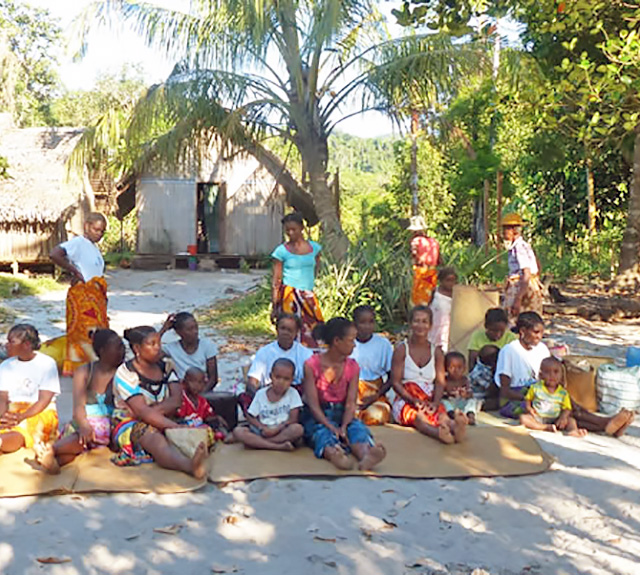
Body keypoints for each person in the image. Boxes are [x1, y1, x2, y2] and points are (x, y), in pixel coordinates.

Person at [496, 312, 634, 436]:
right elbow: (505, 390)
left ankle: (606, 425)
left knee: (567, 406)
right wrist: (536, 399)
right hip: (517, 398)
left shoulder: (542, 349)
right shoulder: (509, 351)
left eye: (541, 333)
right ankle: (605, 423)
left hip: (540, 390)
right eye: (535, 332)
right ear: (522, 331)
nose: (539, 337)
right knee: (557, 408)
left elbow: (550, 373)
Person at [111, 326, 207, 478]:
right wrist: (174, 426)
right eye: (152, 344)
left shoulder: (166, 366)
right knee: (154, 438)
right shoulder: (126, 373)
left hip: (161, 418)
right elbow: (141, 411)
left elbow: (176, 400)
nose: (158, 348)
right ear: (137, 348)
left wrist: (150, 413)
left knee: (202, 427)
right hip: (130, 423)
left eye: (159, 343)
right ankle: (188, 466)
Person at [36, 329, 125, 473]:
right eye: (118, 348)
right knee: (87, 433)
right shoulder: (84, 371)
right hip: (85, 420)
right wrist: (84, 424)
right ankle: (54, 454)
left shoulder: (124, 371)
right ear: (102, 351)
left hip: (111, 421)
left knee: (90, 435)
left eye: (123, 347)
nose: (123, 351)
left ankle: (53, 454)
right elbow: (78, 405)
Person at [303, 318, 386, 470]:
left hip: (342, 412)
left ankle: (365, 455)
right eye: (351, 340)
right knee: (322, 433)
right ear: (337, 341)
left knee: (356, 430)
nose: (354, 345)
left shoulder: (352, 366)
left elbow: (350, 403)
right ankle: (335, 454)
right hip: (318, 415)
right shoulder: (312, 365)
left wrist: (344, 425)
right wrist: (331, 427)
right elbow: (313, 405)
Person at [390, 306, 467, 444]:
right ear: (410, 324)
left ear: (430, 325)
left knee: (441, 415)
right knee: (418, 418)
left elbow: (439, 382)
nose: (420, 325)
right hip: (406, 398)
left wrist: (436, 402)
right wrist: (413, 401)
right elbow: (395, 382)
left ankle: (454, 427)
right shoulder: (402, 350)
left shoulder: (436, 352)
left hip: (429, 397)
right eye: (416, 321)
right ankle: (438, 433)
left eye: (424, 321)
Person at [50, 212, 109, 375]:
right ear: (86, 226)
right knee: (82, 332)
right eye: (96, 229)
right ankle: (80, 369)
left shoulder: (93, 248)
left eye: (102, 231)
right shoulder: (78, 243)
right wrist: (74, 271)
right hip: (82, 296)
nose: (99, 234)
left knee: (96, 333)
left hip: (96, 296)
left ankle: (93, 366)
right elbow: (55, 254)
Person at [0, 324, 60, 454]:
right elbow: (3, 399)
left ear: (26, 344)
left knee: (24, 428)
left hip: (40, 411)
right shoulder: (5, 366)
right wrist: (3, 416)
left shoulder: (47, 364)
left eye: (12, 342)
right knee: (5, 425)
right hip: (13, 409)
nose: (7, 345)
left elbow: (44, 400)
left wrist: (21, 416)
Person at [271, 212, 324, 347]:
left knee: (315, 331)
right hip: (289, 297)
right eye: (287, 230)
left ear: (301, 228)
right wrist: (275, 305)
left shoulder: (315, 248)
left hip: (308, 295)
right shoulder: (281, 251)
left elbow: (317, 268)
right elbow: (276, 280)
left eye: (293, 229)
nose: (290, 233)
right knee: (290, 331)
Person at [233, 359, 305, 451]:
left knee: (298, 429)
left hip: (282, 430)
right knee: (238, 431)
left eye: (286, 379)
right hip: (263, 430)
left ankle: (260, 443)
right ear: (271, 376)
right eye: (277, 377)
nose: (281, 382)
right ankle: (277, 446)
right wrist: (262, 427)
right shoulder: (261, 394)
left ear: (292, 380)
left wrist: (277, 429)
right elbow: (250, 416)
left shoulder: (293, 394)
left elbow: (293, 419)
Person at [245, 313, 313, 397]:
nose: (285, 333)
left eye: (290, 330)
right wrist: (260, 400)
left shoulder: (305, 354)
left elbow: (310, 383)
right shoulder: (264, 352)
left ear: (296, 332)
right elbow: (252, 381)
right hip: (268, 396)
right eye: (282, 328)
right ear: (277, 329)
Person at [520, 357, 586, 437]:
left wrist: (563, 417)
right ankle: (545, 427)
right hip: (538, 417)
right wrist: (529, 408)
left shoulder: (563, 393)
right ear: (541, 375)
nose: (552, 375)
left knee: (571, 420)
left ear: (561, 375)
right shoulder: (536, 387)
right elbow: (528, 399)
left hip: (556, 418)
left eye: (556, 372)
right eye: (547, 372)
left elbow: (567, 408)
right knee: (523, 418)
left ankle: (573, 430)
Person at [349, 305, 393, 425]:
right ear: (354, 324)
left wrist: (376, 395)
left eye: (371, 322)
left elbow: (392, 377)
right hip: (350, 392)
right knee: (346, 412)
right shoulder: (348, 342)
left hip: (375, 392)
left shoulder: (383, 344)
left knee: (380, 414)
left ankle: (359, 418)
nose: (367, 326)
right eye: (362, 322)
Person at [501, 213, 544, 322]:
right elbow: (537, 265)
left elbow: (526, 273)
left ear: (513, 230)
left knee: (514, 321)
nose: (503, 232)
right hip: (529, 285)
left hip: (521, 286)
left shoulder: (519, 248)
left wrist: (518, 299)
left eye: (505, 229)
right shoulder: (523, 245)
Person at [160, 312, 219, 391]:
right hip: (182, 391)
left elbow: (213, 379)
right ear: (178, 332)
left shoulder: (207, 346)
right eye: (189, 329)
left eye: (196, 327)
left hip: (203, 390)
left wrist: (200, 396)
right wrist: (163, 329)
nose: (195, 331)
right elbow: (151, 349)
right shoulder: (171, 348)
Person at [176, 367, 229, 445]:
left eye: (200, 382)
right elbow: (178, 420)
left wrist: (217, 418)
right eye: (192, 381)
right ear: (184, 383)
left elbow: (207, 416)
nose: (196, 386)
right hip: (187, 431)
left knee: (217, 431)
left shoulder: (202, 401)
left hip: (200, 428)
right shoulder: (181, 400)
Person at [408, 215, 442, 306]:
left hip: (420, 272)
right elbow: (440, 261)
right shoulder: (434, 241)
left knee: (418, 301)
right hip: (432, 272)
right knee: (431, 298)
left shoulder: (415, 241)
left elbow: (414, 256)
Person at [442, 351, 481, 425]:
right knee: (444, 402)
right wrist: (448, 394)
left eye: (459, 367)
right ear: (445, 368)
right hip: (451, 403)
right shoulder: (445, 380)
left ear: (464, 368)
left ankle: (470, 416)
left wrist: (466, 395)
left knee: (472, 401)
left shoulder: (465, 380)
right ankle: (453, 416)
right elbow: (441, 394)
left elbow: (470, 394)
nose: (456, 371)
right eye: (451, 367)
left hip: (462, 403)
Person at [429, 267, 456, 352]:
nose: (451, 283)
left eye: (453, 280)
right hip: (434, 328)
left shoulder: (458, 294)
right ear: (441, 280)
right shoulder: (434, 292)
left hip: (449, 330)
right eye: (448, 280)